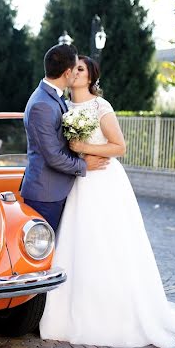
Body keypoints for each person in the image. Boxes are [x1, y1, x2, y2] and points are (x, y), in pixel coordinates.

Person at [39, 56, 175, 348]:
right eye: (73, 69)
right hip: (79, 181)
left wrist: (84, 147)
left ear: (91, 76)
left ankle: (115, 315)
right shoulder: (64, 108)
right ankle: (68, 314)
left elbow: (119, 147)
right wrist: (77, 157)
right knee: (80, 243)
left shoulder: (100, 106)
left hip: (104, 181)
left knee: (109, 243)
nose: (74, 72)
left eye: (80, 69)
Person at [20, 44, 109, 231]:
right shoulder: (42, 104)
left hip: (57, 190)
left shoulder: (54, 97)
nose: (77, 73)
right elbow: (52, 156)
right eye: (75, 69)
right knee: (43, 254)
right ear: (67, 73)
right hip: (46, 194)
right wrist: (85, 165)